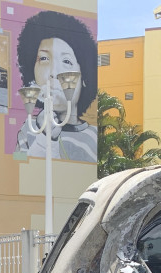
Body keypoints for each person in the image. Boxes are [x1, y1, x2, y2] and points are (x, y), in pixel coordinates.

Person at [14, 11, 97, 163]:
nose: (53, 72)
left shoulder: (94, 136)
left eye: (66, 61)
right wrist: (43, 137)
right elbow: (19, 166)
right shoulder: (28, 130)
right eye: (44, 59)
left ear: (84, 76)